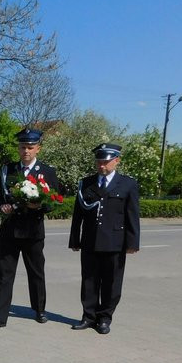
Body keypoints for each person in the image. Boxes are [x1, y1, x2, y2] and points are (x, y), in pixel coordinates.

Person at [0, 128, 59, 329]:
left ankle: (40, 310)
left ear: (38, 149)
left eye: (30, 147)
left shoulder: (47, 172)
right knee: (4, 273)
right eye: (22, 147)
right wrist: (1, 206)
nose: (26, 150)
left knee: (36, 272)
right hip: (10, 230)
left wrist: (40, 205)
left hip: (33, 231)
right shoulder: (8, 169)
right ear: (18, 148)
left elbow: (54, 201)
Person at [69, 143, 140, 334]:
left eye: (106, 161)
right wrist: (75, 239)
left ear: (116, 161)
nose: (102, 165)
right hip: (91, 241)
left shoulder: (128, 184)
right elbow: (78, 215)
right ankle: (88, 316)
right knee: (89, 281)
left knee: (111, 282)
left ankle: (104, 318)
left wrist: (132, 243)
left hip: (115, 242)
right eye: (99, 161)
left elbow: (132, 214)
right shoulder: (86, 183)